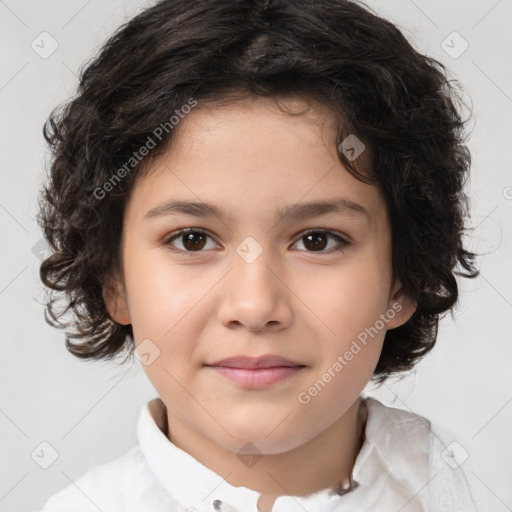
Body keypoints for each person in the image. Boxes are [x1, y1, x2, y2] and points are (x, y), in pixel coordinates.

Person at [37, 0, 480, 510]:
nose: (254, 306)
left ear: (404, 276)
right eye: (192, 239)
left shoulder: (450, 491)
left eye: (317, 240)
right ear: (114, 281)